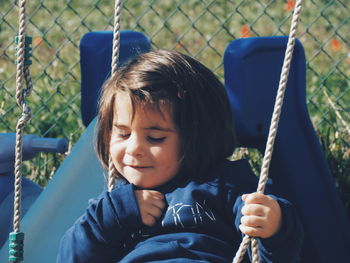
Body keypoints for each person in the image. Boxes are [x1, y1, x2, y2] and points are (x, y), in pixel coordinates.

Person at [57, 50, 303, 262]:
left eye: (155, 138)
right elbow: (71, 258)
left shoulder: (225, 185)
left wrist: (274, 225)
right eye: (122, 134)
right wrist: (115, 214)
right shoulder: (115, 203)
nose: (134, 148)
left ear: (197, 136)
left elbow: (275, 255)